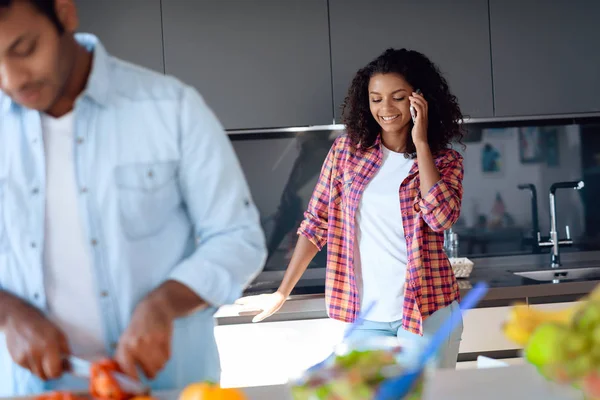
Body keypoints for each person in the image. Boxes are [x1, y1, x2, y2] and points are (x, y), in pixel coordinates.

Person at [0, 0, 266, 396]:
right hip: (33, 389)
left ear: (64, 13)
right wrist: (9, 315)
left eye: (25, 49)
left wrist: (163, 304)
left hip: (168, 386)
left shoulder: (170, 109)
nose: (12, 78)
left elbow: (238, 239)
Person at [238, 48, 465, 368]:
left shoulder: (445, 161)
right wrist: (281, 292)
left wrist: (422, 143)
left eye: (398, 97)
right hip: (366, 315)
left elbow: (441, 219)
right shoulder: (347, 152)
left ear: (419, 100)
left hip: (428, 312)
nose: (385, 108)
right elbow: (316, 222)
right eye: (376, 98)